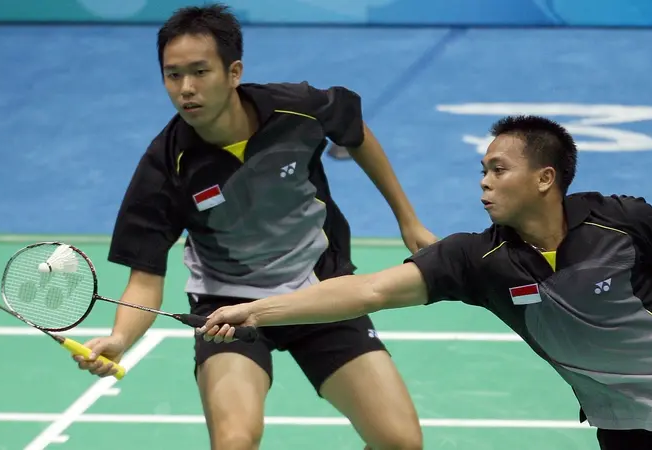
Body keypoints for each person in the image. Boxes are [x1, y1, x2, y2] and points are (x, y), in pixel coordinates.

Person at [72, 4, 436, 450]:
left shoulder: (296, 110)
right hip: (227, 309)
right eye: (173, 75)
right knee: (235, 441)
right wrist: (120, 337)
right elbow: (144, 280)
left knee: (401, 442)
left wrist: (408, 219)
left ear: (233, 72)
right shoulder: (164, 168)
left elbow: (354, 130)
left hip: (319, 289)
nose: (186, 89)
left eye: (200, 71)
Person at [199, 115, 652, 450]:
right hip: (624, 426)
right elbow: (371, 291)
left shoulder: (622, 222)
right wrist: (255, 310)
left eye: (499, 169)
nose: (484, 183)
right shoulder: (479, 259)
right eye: (483, 171)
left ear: (545, 178)